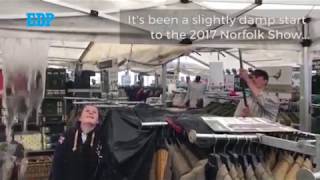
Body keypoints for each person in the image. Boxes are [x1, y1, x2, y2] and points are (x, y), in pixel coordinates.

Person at [51, 105, 105, 180]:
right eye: (87, 111)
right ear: (80, 117)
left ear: (98, 120)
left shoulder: (103, 138)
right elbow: (57, 163)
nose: (90, 113)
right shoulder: (68, 135)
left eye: (94, 112)